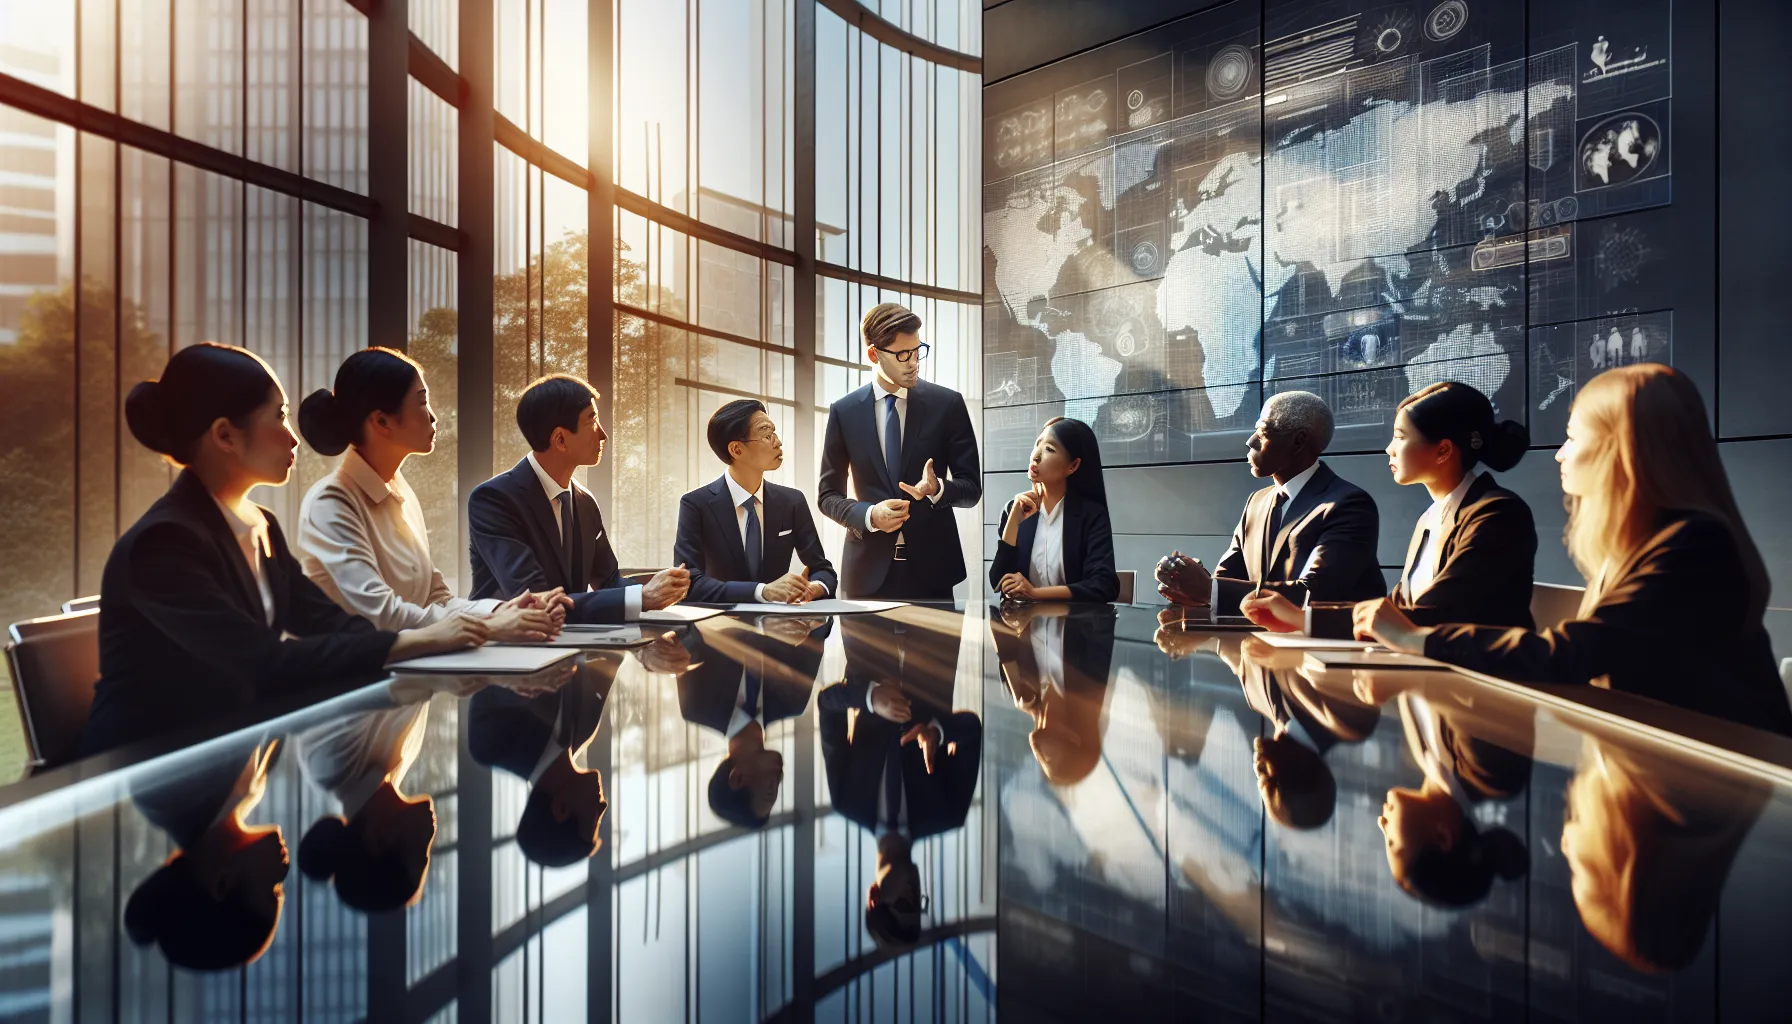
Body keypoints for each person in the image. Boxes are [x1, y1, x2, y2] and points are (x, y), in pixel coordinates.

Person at [83, 344, 486, 758]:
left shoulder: (262, 526)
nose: (293, 435)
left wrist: (432, 636)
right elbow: (263, 661)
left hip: (225, 758)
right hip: (141, 776)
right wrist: (422, 640)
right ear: (225, 435)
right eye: (278, 416)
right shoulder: (163, 544)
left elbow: (330, 622)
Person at [1357, 365, 1792, 733]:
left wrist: (1417, 639)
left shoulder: (1693, 546)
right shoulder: (1649, 546)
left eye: (1572, 437)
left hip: (1734, 784)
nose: (1560, 455)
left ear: (1621, 452)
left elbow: (1571, 655)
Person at [296, 347, 564, 639]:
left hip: (414, 671)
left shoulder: (400, 492)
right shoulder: (331, 503)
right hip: (357, 680)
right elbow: (381, 615)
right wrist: (491, 626)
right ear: (382, 422)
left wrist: (503, 611)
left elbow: (436, 598)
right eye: (422, 402)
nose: (434, 416)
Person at [1240, 382, 1536, 632]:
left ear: (1443, 450)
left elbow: (1432, 615)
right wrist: (1300, 618)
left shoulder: (1497, 514)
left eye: (1400, 437)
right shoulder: (1432, 517)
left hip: (1484, 688)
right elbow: (1394, 611)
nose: (1389, 449)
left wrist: (1303, 618)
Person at [469, 374, 690, 623]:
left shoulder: (584, 501)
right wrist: (641, 597)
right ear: (560, 439)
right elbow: (537, 601)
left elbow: (607, 581)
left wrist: (659, 586)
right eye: (592, 421)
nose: (603, 435)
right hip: (507, 650)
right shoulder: (494, 500)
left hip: (569, 643)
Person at [821, 611, 980, 948]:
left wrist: (868, 698)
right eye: (918, 904)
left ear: (874, 897)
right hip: (934, 633)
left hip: (868, 629)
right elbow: (973, 732)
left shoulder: (846, 800)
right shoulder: (947, 814)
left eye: (904, 904)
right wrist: (939, 730)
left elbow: (826, 705)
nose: (914, 894)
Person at [1154, 390, 1383, 614]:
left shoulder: (1349, 505)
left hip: (1325, 650)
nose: (1250, 442)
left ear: (1298, 441)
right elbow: (1227, 583)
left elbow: (1315, 595)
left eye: (1262, 433)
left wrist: (1209, 590)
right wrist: (1189, 585)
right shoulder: (1256, 502)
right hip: (1257, 647)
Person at [818, 303, 982, 600]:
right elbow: (827, 495)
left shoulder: (948, 405)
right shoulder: (844, 412)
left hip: (933, 576)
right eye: (903, 354)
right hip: (865, 576)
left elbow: (971, 488)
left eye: (917, 351)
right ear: (873, 354)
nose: (913, 363)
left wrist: (938, 489)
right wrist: (868, 515)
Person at [123, 739, 290, 971]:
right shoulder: (259, 780)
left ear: (222, 883)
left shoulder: (163, 792)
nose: (284, 871)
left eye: (274, 889)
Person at [673, 399, 838, 604]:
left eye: (774, 433)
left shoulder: (792, 501)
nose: (777, 442)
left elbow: (823, 570)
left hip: (780, 626)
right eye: (767, 435)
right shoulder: (695, 504)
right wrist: (762, 591)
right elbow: (689, 584)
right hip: (718, 627)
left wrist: (814, 588)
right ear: (737, 450)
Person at [675, 615, 830, 828]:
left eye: (769, 789)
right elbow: (820, 628)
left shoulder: (697, 705)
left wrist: (759, 625)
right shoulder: (793, 702)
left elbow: (685, 628)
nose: (780, 777)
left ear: (737, 778)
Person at [293, 690, 440, 914]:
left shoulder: (329, 761)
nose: (432, 836)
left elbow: (376, 675)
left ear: (379, 840)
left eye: (422, 851)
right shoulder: (399, 763)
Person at [1379, 692, 1531, 908]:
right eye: (1392, 842)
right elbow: (1472, 683)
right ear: (1442, 838)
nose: (1381, 824)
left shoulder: (1420, 752)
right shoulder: (1490, 773)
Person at [467, 659, 615, 867]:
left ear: (561, 809)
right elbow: (612, 656)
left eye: (595, 820)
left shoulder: (491, 747)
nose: (603, 806)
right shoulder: (586, 729)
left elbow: (491, 678)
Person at [990, 417, 1120, 603]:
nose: (1036, 456)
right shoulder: (1015, 508)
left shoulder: (1091, 515)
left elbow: (1104, 585)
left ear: (1073, 466)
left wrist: (1034, 593)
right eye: (1037, 444)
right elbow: (997, 582)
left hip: (1074, 627)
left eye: (1049, 449)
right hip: (1024, 627)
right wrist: (1013, 521)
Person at [989, 603, 1116, 785]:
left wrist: (1016, 684)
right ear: (1072, 737)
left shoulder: (1022, 692)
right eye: (1048, 760)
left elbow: (995, 615)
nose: (1039, 757)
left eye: (1043, 763)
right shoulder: (1089, 677)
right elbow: (1100, 612)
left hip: (1022, 586)